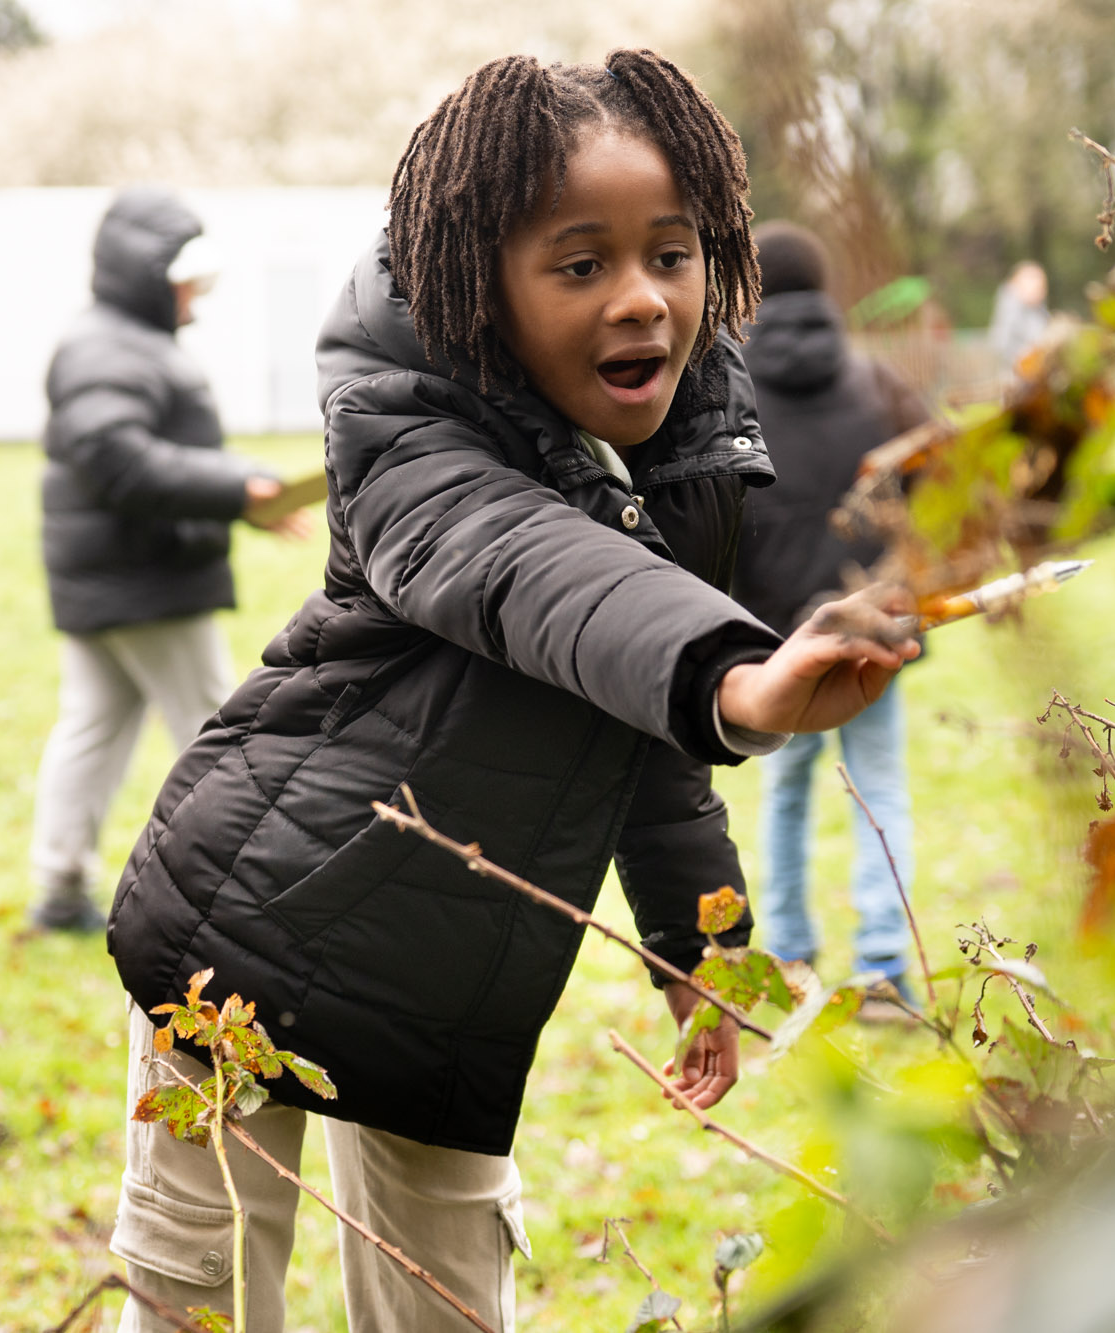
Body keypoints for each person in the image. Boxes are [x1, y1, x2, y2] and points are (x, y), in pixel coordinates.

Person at [104, 50, 920, 1332]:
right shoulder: (405, 431)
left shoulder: (694, 450)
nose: (644, 300)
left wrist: (695, 943)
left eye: (672, 251)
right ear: (480, 279)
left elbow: (637, 726)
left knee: (446, 1305)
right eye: (581, 264)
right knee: (199, 1304)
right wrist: (735, 674)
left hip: (447, 1000)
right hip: (241, 943)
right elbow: (536, 571)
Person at [29, 186, 307, 933]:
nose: (197, 295)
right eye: (187, 276)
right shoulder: (108, 345)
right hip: (142, 578)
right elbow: (116, 458)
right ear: (149, 272)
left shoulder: (114, 341)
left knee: (92, 728)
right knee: (218, 729)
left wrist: (241, 491)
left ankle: (59, 885)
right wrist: (236, 488)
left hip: (116, 574)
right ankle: (242, 894)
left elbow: (147, 455)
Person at [729, 222, 931, 1011]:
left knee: (782, 796)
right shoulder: (882, 384)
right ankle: (883, 970)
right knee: (881, 790)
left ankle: (785, 957)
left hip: (778, 639)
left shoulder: (725, 392)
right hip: (879, 630)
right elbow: (937, 492)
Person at [988, 260, 1050, 382]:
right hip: (1016, 378)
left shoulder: (1039, 311)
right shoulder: (1010, 308)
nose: (1040, 288)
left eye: (1042, 284)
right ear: (1015, 284)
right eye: (1034, 281)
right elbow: (1000, 343)